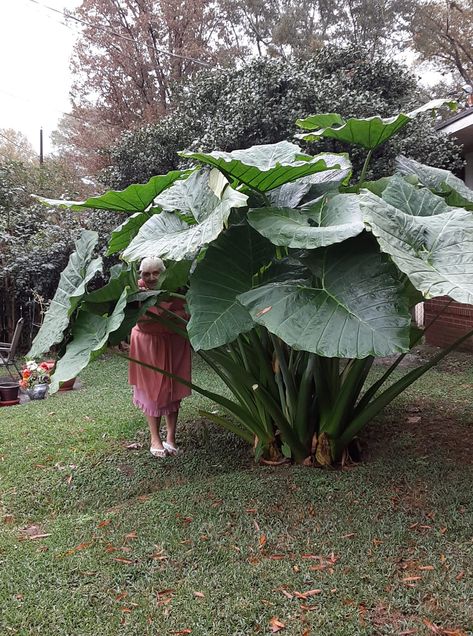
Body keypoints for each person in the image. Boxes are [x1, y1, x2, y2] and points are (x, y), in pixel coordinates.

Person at [128, 257, 191, 458]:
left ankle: (171, 437)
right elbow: (134, 317)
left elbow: (188, 311)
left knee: (174, 389)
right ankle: (155, 439)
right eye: (146, 274)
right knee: (151, 391)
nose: (151, 277)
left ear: (164, 272)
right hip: (147, 345)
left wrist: (171, 314)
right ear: (140, 275)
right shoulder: (134, 291)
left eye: (156, 273)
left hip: (174, 342)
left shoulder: (175, 286)